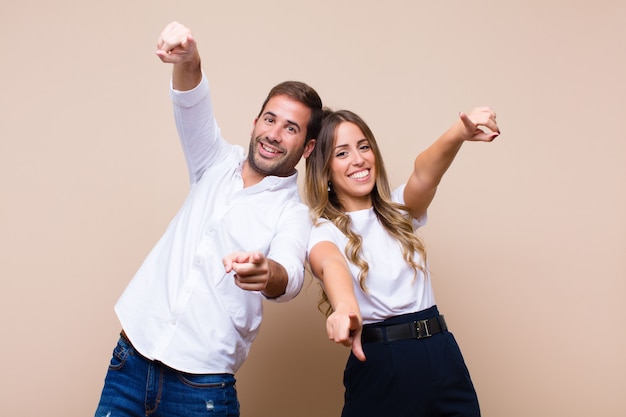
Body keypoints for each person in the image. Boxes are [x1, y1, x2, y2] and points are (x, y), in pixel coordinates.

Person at [94, 21, 323, 417]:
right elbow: (191, 100)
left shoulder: (293, 214)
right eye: (269, 119)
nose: (274, 134)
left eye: (291, 128)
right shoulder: (213, 161)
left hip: (201, 388)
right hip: (130, 361)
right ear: (255, 123)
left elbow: (290, 275)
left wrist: (267, 272)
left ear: (307, 147)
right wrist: (188, 57)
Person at [305, 106, 500, 417]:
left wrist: (459, 133)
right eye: (342, 153)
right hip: (383, 362)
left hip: (442, 353)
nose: (358, 159)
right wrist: (344, 307)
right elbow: (330, 265)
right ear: (324, 169)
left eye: (364, 146)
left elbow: (425, 171)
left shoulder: (399, 210)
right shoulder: (322, 232)